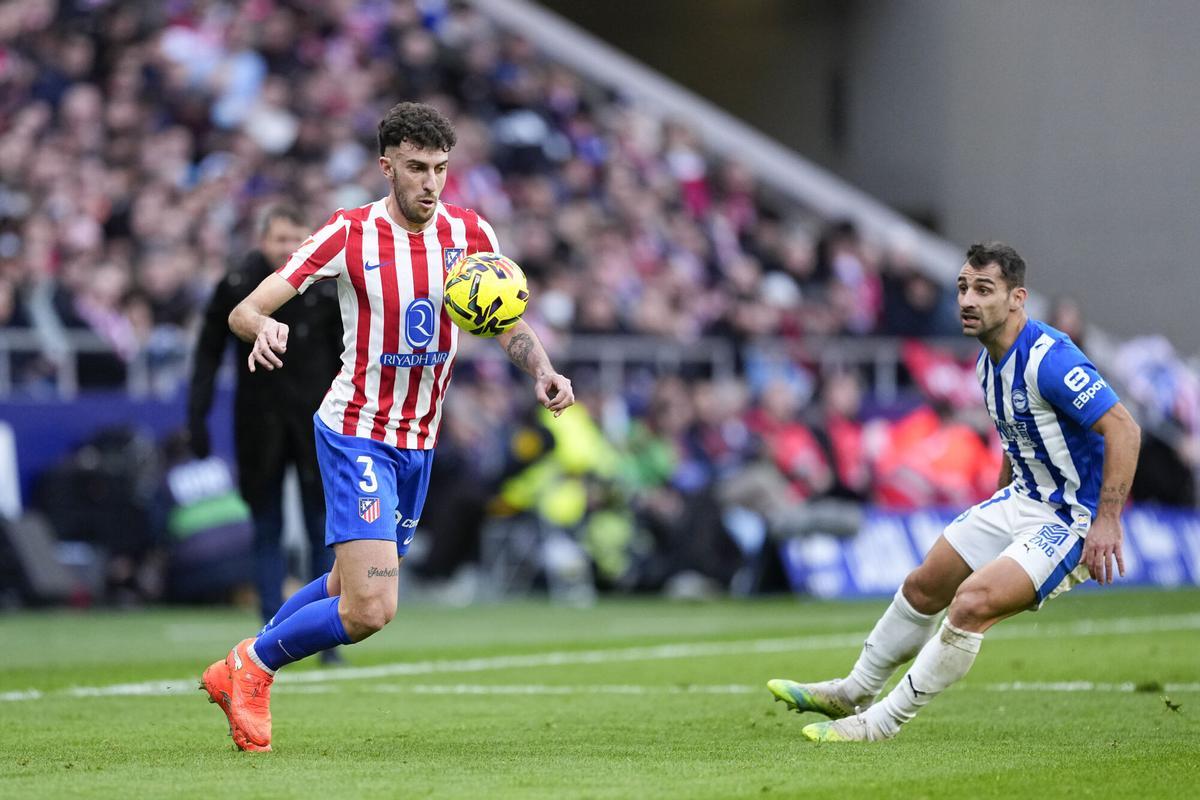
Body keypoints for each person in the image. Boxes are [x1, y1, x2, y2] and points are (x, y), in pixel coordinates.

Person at [199, 102, 574, 752]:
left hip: (418, 443)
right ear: (387, 166)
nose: (431, 182)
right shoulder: (348, 234)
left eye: (441, 168)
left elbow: (503, 318)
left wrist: (541, 368)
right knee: (372, 608)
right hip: (357, 431)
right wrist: (262, 326)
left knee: (344, 585)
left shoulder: (470, 232)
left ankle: (237, 665)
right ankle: (252, 670)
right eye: (417, 167)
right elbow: (245, 309)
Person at [767, 241, 1141, 742]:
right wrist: (998, 505)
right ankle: (852, 691)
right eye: (963, 287)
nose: (967, 300)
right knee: (925, 584)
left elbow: (1124, 429)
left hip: (1070, 518)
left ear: (1017, 299)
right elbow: (1018, 437)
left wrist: (1107, 520)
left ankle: (879, 724)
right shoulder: (987, 362)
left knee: (971, 604)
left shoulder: (1050, 358)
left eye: (984, 289)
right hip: (1021, 499)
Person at [188, 204, 342, 629]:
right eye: (280, 239)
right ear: (262, 241)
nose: (288, 248)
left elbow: (349, 356)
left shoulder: (328, 288)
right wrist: (197, 417)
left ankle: (323, 629)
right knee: (265, 525)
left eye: (297, 239)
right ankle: (270, 628)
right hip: (259, 423)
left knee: (322, 527)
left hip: (318, 424)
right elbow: (207, 352)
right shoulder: (238, 285)